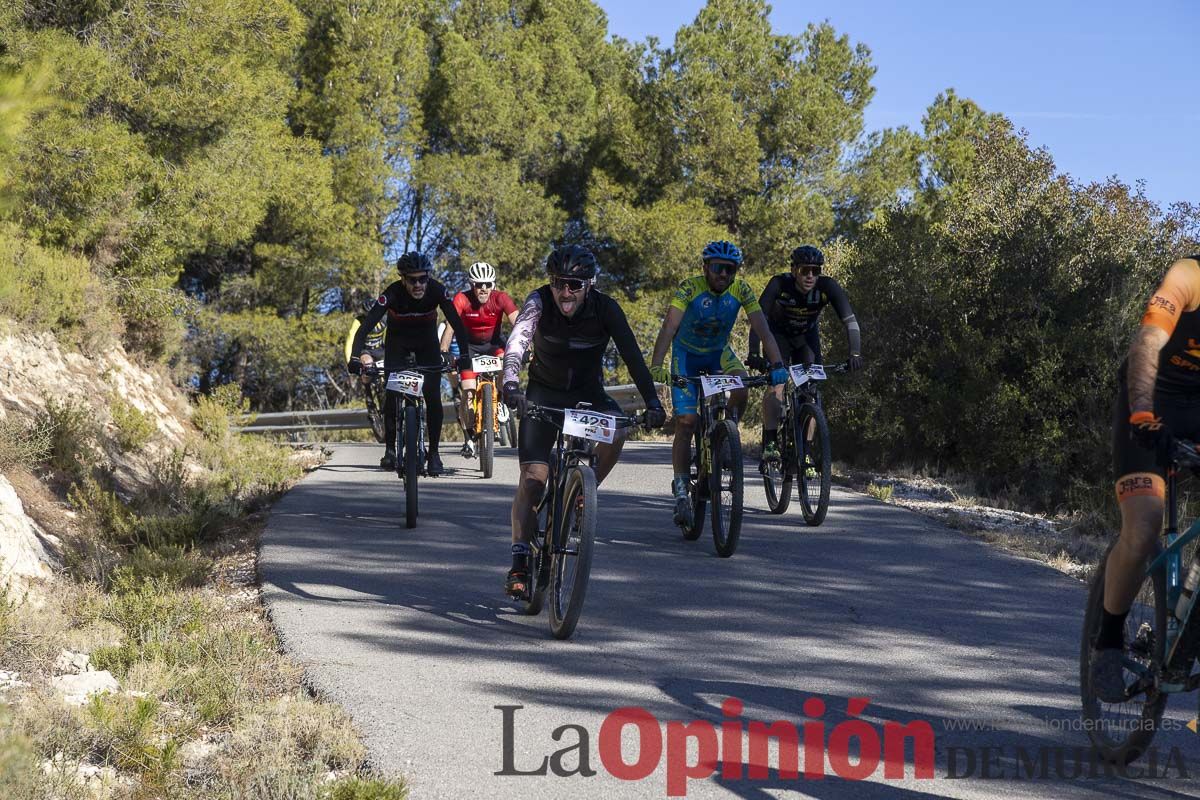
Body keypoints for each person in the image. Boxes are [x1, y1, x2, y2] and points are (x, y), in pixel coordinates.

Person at [501, 245, 667, 599]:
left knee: (619, 429)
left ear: (589, 284)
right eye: (560, 283)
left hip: (588, 394)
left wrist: (652, 401)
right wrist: (511, 384)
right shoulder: (539, 302)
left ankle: (581, 496)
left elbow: (633, 357)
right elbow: (517, 342)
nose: (565, 292)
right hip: (543, 394)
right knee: (534, 479)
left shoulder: (606, 309)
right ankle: (518, 560)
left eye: (575, 285)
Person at [1091, 254, 1200, 702]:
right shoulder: (1189, 276)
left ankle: (1182, 613)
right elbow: (1148, 340)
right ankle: (1109, 642)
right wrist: (1141, 411)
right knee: (1144, 525)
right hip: (1152, 400)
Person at [648, 240, 788, 528]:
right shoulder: (690, 287)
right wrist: (657, 365)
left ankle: (727, 435)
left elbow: (763, 330)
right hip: (686, 356)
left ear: (735, 271)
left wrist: (777, 365)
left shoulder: (742, 289)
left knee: (741, 387)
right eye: (717, 268)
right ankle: (681, 488)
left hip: (718, 354)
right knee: (686, 422)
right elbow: (669, 326)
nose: (723, 275)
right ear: (705, 268)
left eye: (729, 269)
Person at [349, 252, 471, 476]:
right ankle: (390, 451)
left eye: (422, 279)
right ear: (402, 279)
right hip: (398, 346)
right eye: (412, 280)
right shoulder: (392, 293)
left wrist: (465, 357)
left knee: (433, 397)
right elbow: (365, 327)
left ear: (428, 277)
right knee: (392, 396)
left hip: (427, 345)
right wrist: (355, 358)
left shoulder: (436, 290)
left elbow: (457, 325)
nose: (418, 284)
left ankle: (434, 454)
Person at [748, 245, 862, 470]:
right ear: (794, 270)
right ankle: (770, 442)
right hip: (777, 337)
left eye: (815, 271)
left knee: (811, 392)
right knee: (777, 383)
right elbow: (757, 321)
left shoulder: (827, 286)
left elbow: (851, 322)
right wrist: (753, 353)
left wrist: (855, 353)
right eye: (805, 270)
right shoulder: (779, 284)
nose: (810, 275)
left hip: (805, 339)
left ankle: (806, 450)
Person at [438, 261, 519, 456]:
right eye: (478, 284)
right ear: (471, 285)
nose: (483, 288)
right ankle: (468, 438)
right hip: (469, 348)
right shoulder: (462, 299)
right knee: (467, 394)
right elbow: (450, 327)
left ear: (493, 285)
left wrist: (527, 347)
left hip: (494, 346)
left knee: (507, 366)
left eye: (487, 284)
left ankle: (499, 400)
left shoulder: (501, 298)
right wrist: (444, 351)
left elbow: (519, 323)